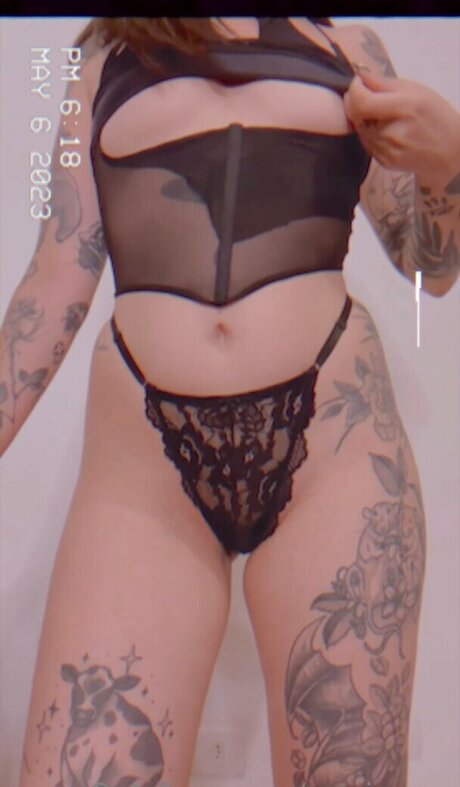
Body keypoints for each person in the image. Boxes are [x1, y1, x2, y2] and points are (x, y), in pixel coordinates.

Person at [2, 16, 458, 787]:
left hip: (337, 457)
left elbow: (427, 267)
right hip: (145, 477)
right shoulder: (98, 61)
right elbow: (52, 282)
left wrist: (449, 165)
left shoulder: (349, 51)